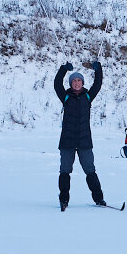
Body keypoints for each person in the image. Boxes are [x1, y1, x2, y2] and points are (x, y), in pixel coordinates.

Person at [53, 60, 106, 210]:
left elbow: (98, 84)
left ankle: (99, 198)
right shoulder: (66, 97)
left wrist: (98, 69)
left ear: (82, 83)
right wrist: (63, 69)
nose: (76, 83)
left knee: (90, 170)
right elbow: (57, 84)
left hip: (84, 141)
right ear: (70, 83)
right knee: (65, 171)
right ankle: (64, 199)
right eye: (74, 81)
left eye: (79, 80)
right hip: (67, 141)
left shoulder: (88, 97)